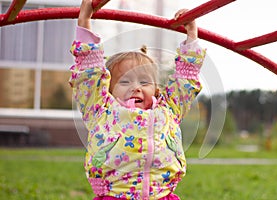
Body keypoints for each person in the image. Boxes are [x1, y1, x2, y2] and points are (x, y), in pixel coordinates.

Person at [69, 0, 206, 199]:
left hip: (162, 195)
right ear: (108, 88)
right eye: (125, 82)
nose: (136, 87)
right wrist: (85, 20)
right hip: (115, 195)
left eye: (144, 81)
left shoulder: (169, 110)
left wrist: (192, 35)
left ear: (156, 88)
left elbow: (186, 80)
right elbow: (89, 72)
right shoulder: (100, 109)